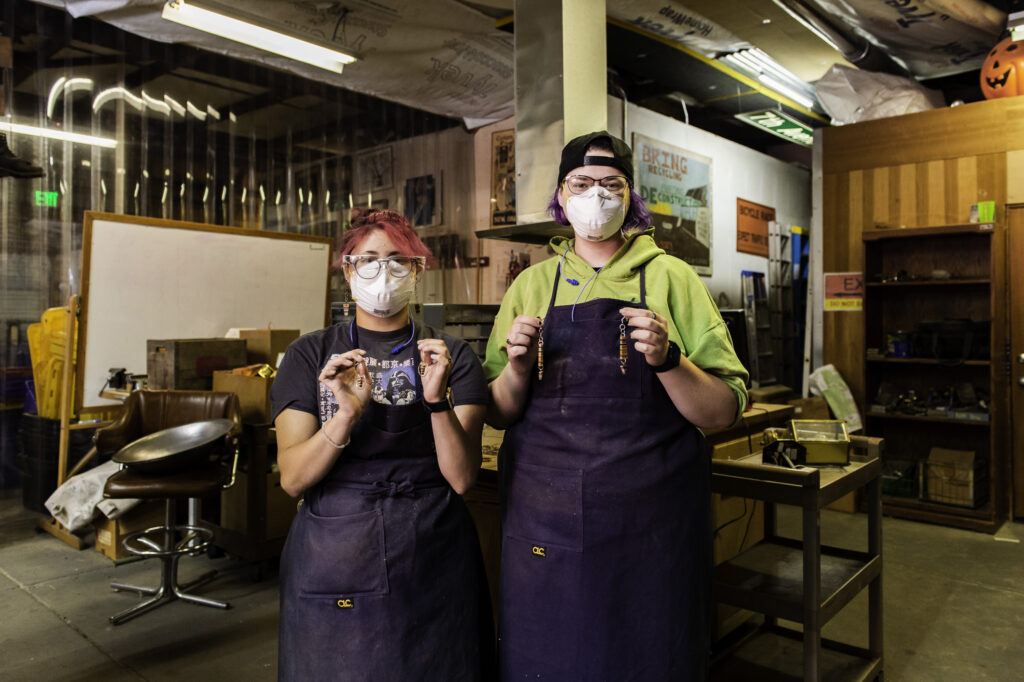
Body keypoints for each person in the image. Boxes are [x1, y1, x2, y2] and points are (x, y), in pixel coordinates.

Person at [484, 131, 749, 680]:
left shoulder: (673, 278)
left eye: (611, 184)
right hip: (546, 517)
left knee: (651, 653)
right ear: (562, 195)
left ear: (631, 197)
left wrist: (670, 359)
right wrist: (514, 366)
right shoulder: (531, 286)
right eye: (582, 183)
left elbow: (722, 411)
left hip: (651, 521)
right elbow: (500, 411)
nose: (597, 195)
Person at [272, 208, 494, 681]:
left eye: (398, 260)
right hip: (338, 547)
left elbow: (461, 478)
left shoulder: (452, 356)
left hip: (433, 548)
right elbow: (293, 479)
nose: (383, 272)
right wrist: (345, 415)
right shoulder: (310, 355)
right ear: (347, 270)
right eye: (368, 259)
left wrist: (436, 401)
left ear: (418, 270)